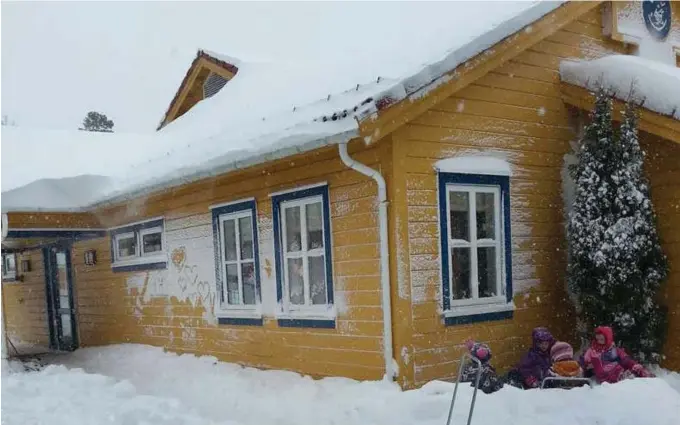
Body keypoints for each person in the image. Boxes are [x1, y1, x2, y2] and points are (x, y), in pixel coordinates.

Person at [582, 326, 654, 384]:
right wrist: (586, 366)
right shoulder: (592, 351)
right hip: (605, 378)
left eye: (602, 339)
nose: (599, 342)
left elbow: (626, 360)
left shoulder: (614, 350)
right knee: (624, 376)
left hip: (618, 373)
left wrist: (634, 365)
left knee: (636, 371)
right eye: (597, 339)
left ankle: (652, 381)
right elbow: (584, 361)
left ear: (608, 339)